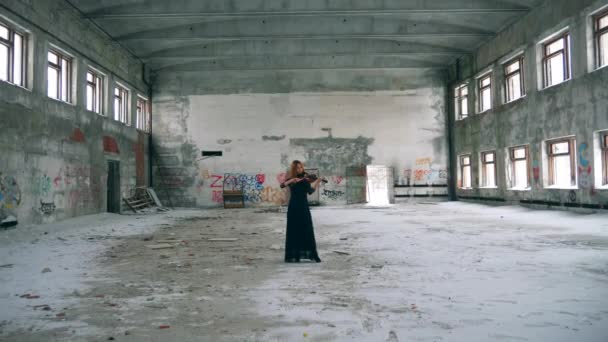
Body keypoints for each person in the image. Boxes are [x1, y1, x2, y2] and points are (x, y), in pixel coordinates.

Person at [280, 160, 324, 263]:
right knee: (293, 231)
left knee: (307, 229)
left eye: (300, 167)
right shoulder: (291, 180)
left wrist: (317, 181)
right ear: (294, 170)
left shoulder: (305, 179)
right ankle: (294, 256)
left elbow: (310, 191)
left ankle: (312, 255)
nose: (300, 169)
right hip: (293, 207)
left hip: (303, 207)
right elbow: (282, 185)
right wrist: (292, 180)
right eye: (297, 168)